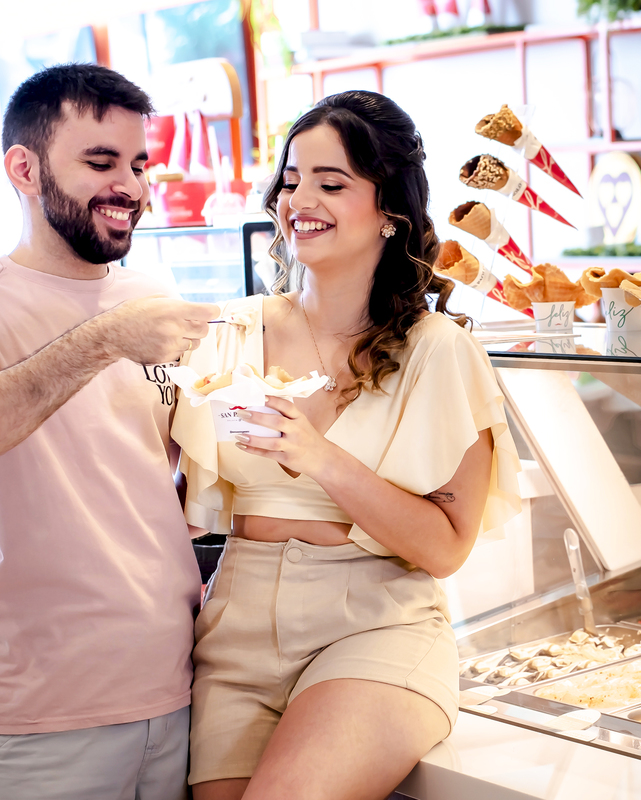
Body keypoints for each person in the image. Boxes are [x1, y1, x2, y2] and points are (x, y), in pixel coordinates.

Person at [173, 91, 522, 799]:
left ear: (390, 210)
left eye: (331, 184)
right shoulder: (228, 333)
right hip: (235, 625)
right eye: (292, 179)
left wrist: (323, 458)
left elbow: (446, 546)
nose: (301, 198)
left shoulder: (439, 351)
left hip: (375, 627)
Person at [0, 64, 220, 800]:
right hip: (39, 719)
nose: (132, 188)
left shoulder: (152, 297)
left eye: (139, 165)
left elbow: (176, 468)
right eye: (101, 163)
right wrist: (106, 339)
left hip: (177, 692)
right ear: (23, 167)